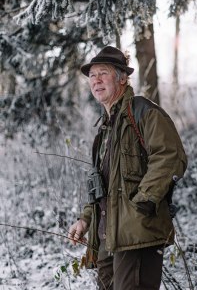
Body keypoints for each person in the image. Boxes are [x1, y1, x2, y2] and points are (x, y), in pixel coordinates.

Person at [68, 46, 187, 289]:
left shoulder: (143, 112)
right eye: (92, 75)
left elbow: (170, 156)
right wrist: (85, 220)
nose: (96, 80)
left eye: (104, 73)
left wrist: (142, 202)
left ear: (122, 78)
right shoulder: (104, 129)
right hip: (107, 239)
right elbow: (102, 184)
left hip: (137, 236)